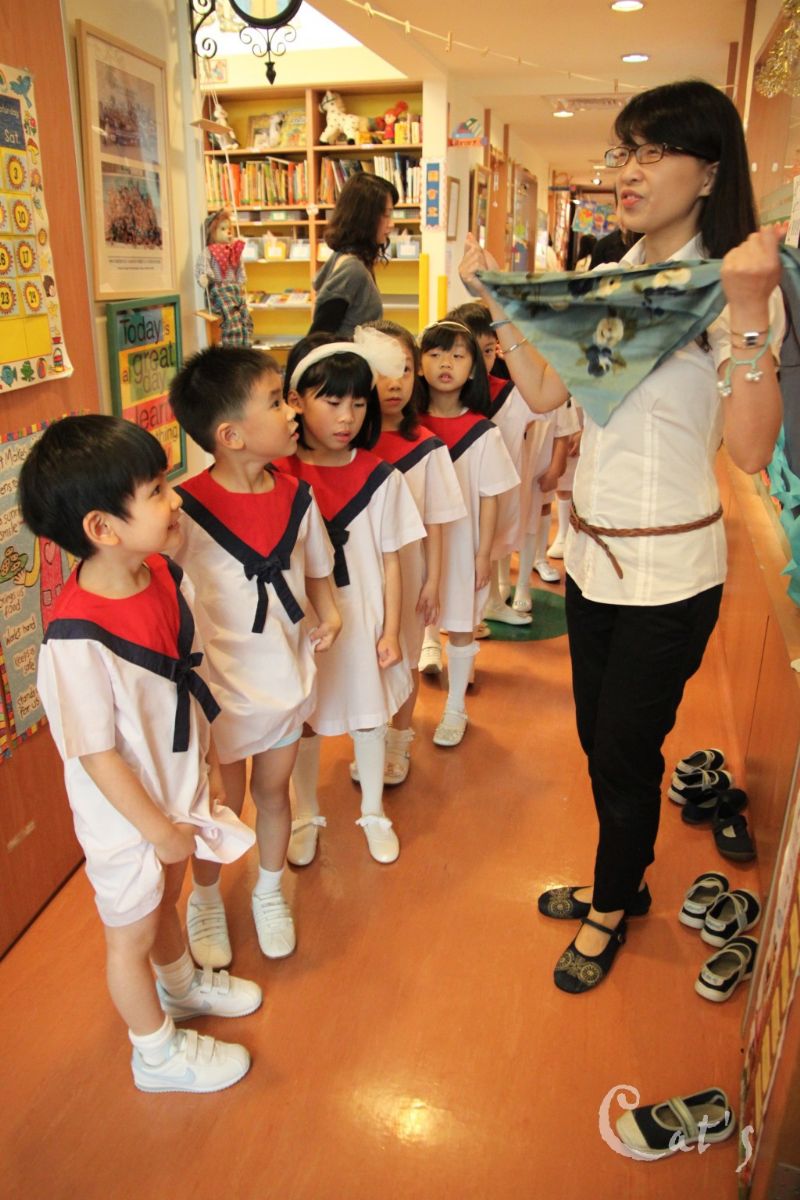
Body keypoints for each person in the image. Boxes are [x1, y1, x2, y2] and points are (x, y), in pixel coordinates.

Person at [459, 79, 784, 994]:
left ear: (709, 171)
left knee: (624, 751)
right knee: (598, 740)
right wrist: (498, 300)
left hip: (673, 570)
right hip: (591, 560)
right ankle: (624, 877)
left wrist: (748, 314)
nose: (626, 173)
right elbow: (547, 393)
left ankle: (612, 905)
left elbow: (751, 450)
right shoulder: (613, 279)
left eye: (651, 152)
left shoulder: (732, 287)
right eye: (623, 152)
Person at [20, 415, 262, 1093]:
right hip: (128, 820)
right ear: (102, 528)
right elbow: (97, 756)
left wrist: (204, 772)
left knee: (166, 904)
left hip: (174, 789)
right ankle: (154, 1054)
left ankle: (179, 988)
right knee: (130, 936)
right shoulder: (75, 637)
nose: (174, 498)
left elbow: (184, 682)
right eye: (156, 490)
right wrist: (156, 829)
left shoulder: (158, 572)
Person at [168, 346, 341, 969]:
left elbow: (317, 569)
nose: (293, 411)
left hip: (284, 678)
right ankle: (206, 897)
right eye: (276, 401)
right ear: (231, 435)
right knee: (220, 803)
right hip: (216, 691)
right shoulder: (183, 512)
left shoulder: (298, 496)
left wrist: (330, 613)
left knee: (274, 792)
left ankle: (270, 890)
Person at [279, 331, 426, 864]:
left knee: (368, 711)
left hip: (363, 617)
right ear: (297, 402)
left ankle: (373, 811)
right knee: (306, 716)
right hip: (304, 622)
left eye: (358, 403)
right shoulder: (278, 474)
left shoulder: (381, 477)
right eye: (332, 402)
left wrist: (391, 630)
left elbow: (391, 560)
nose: (347, 417)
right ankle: (304, 814)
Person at [363, 319, 466, 782]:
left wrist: (432, 580)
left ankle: (399, 738)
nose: (395, 383)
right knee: (364, 657)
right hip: (358, 575)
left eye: (405, 369)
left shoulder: (426, 447)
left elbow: (436, 522)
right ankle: (369, 738)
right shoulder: (347, 445)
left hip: (407, 570)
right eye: (382, 371)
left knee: (404, 654)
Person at [416, 320, 519, 747]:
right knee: (410, 620)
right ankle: (399, 720)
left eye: (458, 356)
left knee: (460, 623)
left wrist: (483, 555)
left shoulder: (483, 431)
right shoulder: (408, 427)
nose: (446, 364)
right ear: (418, 365)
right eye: (436, 354)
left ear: (474, 368)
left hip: (462, 543)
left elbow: (491, 497)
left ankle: (455, 706)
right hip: (414, 545)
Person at [445, 301, 536, 627]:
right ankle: (437, 628)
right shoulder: (440, 398)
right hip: (453, 495)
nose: (480, 361)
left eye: (487, 351)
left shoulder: (511, 394)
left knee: (492, 546)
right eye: (467, 351)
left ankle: (492, 602)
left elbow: (542, 406)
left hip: (495, 495)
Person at [309, 174, 398, 337]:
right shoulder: (353, 269)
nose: (391, 224)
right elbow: (318, 336)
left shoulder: (346, 258)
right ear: (365, 217)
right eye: (386, 215)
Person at [512, 397, 579, 610]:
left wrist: (556, 467)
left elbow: (563, 429)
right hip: (509, 463)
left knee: (533, 519)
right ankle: (500, 585)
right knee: (505, 524)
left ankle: (523, 584)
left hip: (537, 465)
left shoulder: (553, 390)